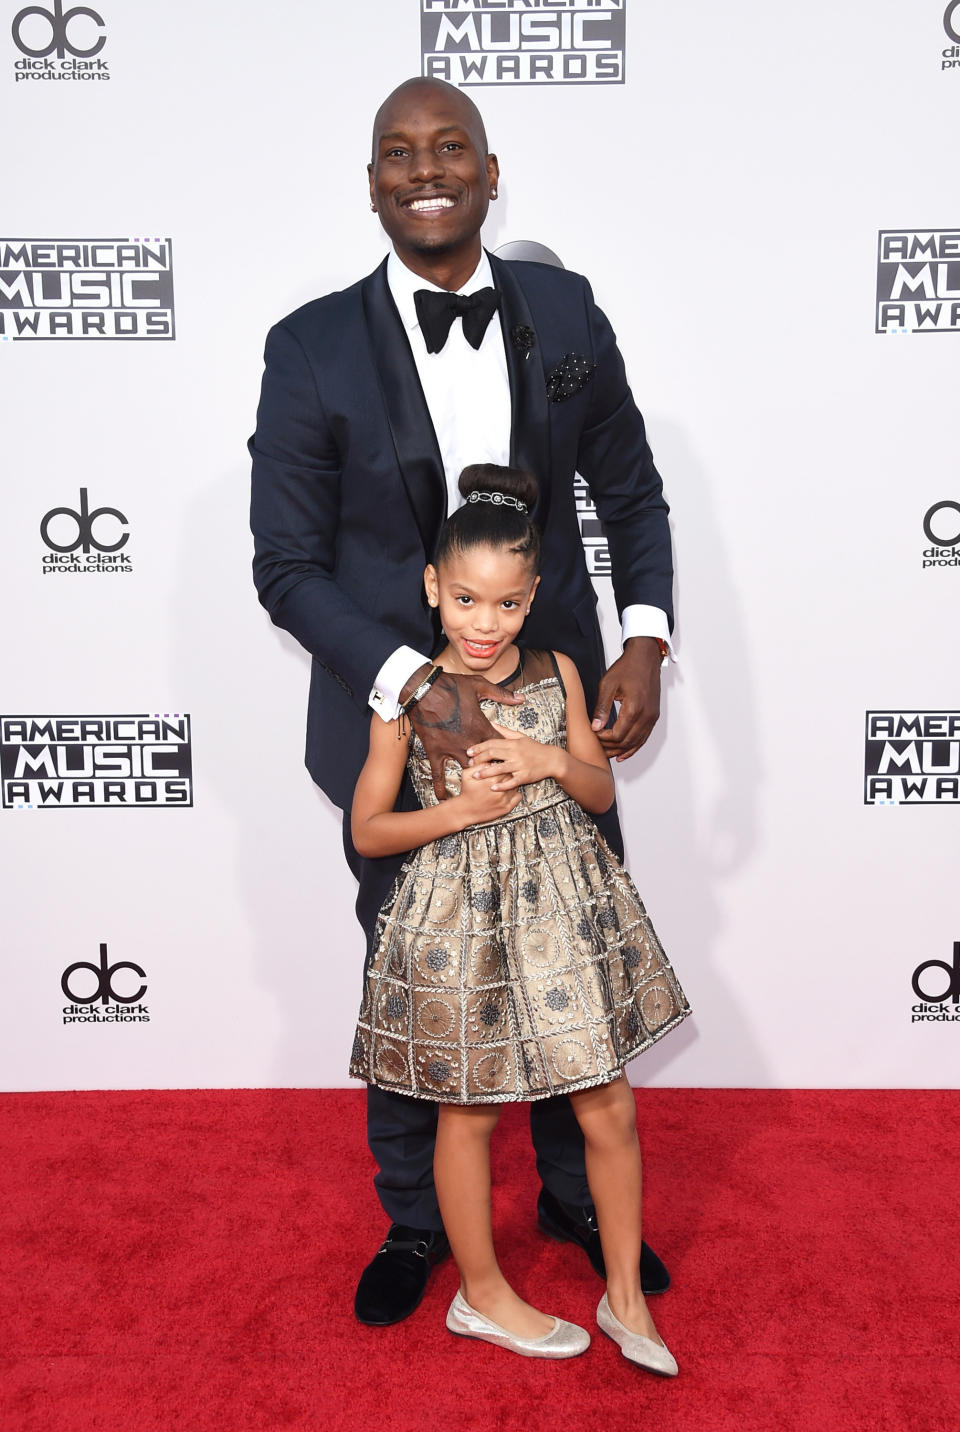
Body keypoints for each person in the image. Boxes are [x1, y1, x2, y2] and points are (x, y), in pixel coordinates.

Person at [249, 75, 676, 1326]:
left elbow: (634, 491)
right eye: (398, 153)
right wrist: (415, 688)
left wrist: (643, 638)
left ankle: (575, 1201)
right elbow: (287, 565)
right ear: (374, 181)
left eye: (451, 149)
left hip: (554, 716)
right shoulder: (310, 344)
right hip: (399, 732)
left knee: (568, 967)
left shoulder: (564, 307)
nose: (424, 169)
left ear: (493, 174)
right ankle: (415, 1224)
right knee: (418, 985)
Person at [349, 464, 689, 1371]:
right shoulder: (408, 695)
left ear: (533, 596)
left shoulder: (560, 670)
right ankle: (482, 1294)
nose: (484, 623)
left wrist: (545, 758)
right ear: (434, 588)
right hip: (458, 916)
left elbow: (596, 782)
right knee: (470, 1112)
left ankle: (625, 1300)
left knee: (607, 1099)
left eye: (505, 604)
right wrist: (456, 812)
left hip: (562, 905)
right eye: (465, 599)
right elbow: (369, 826)